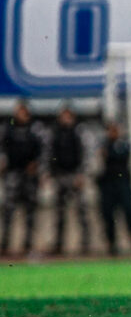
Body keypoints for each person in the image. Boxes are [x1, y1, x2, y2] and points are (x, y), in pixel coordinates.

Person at [1, 102, 42, 256]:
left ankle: (28, 245)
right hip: (13, 175)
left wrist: (37, 165)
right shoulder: (8, 129)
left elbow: (44, 151)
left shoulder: (35, 130)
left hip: (29, 177)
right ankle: (5, 245)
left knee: (30, 213)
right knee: (8, 212)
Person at [48, 105, 89, 256]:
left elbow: (85, 154)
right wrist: (51, 173)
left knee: (81, 213)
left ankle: (86, 244)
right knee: (59, 213)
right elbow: (49, 154)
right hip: (60, 176)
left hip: (75, 175)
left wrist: (82, 174)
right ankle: (58, 244)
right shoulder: (55, 133)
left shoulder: (79, 132)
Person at [98, 121, 131, 256]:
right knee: (108, 216)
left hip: (122, 184)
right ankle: (112, 244)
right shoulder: (103, 145)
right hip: (108, 185)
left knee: (128, 214)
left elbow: (122, 156)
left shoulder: (123, 145)